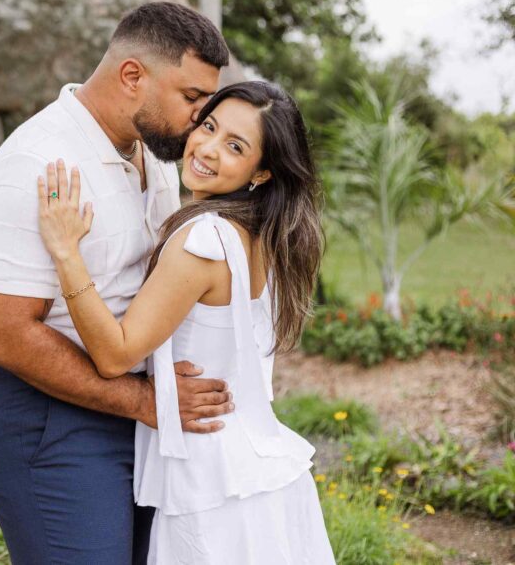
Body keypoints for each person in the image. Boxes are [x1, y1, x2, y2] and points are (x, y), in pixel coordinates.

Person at [0, 2, 235, 564]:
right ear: (132, 75)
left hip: (129, 415)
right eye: (191, 99)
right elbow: (7, 335)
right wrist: (144, 400)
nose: (198, 120)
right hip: (48, 422)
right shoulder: (39, 160)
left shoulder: (152, 154)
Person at [36, 80, 336, 563]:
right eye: (210, 127)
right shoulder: (268, 238)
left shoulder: (204, 239)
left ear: (261, 172)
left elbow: (115, 354)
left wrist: (66, 252)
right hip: (258, 473)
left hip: (209, 484)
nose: (207, 148)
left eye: (235, 146)